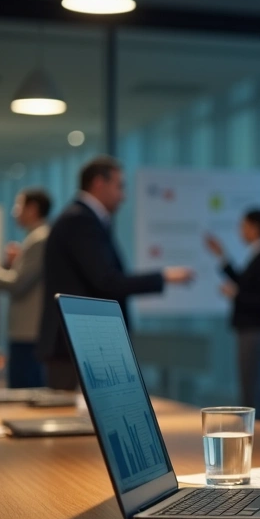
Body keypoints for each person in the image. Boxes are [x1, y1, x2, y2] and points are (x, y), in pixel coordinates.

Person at [36, 156, 194, 390]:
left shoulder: (85, 219)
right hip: (75, 343)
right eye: (119, 186)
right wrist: (164, 276)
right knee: (70, 419)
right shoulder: (80, 220)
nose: (123, 196)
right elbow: (106, 281)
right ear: (99, 183)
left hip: (79, 342)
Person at [205, 210, 260, 423]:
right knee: (257, 386)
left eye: (244, 226)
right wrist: (222, 256)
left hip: (256, 331)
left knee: (253, 388)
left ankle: (258, 436)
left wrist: (236, 294)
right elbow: (244, 282)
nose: (241, 231)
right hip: (253, 330)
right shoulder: (259, 256)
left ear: (255, 228)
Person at [0, 188, 52, 388]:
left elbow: (18, 284)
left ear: (33, 209)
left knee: (24, 390)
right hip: (27, 332)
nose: (14, 212)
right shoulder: (35, 238)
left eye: (18, 206)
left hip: (28, 333)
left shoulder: (39, 238)